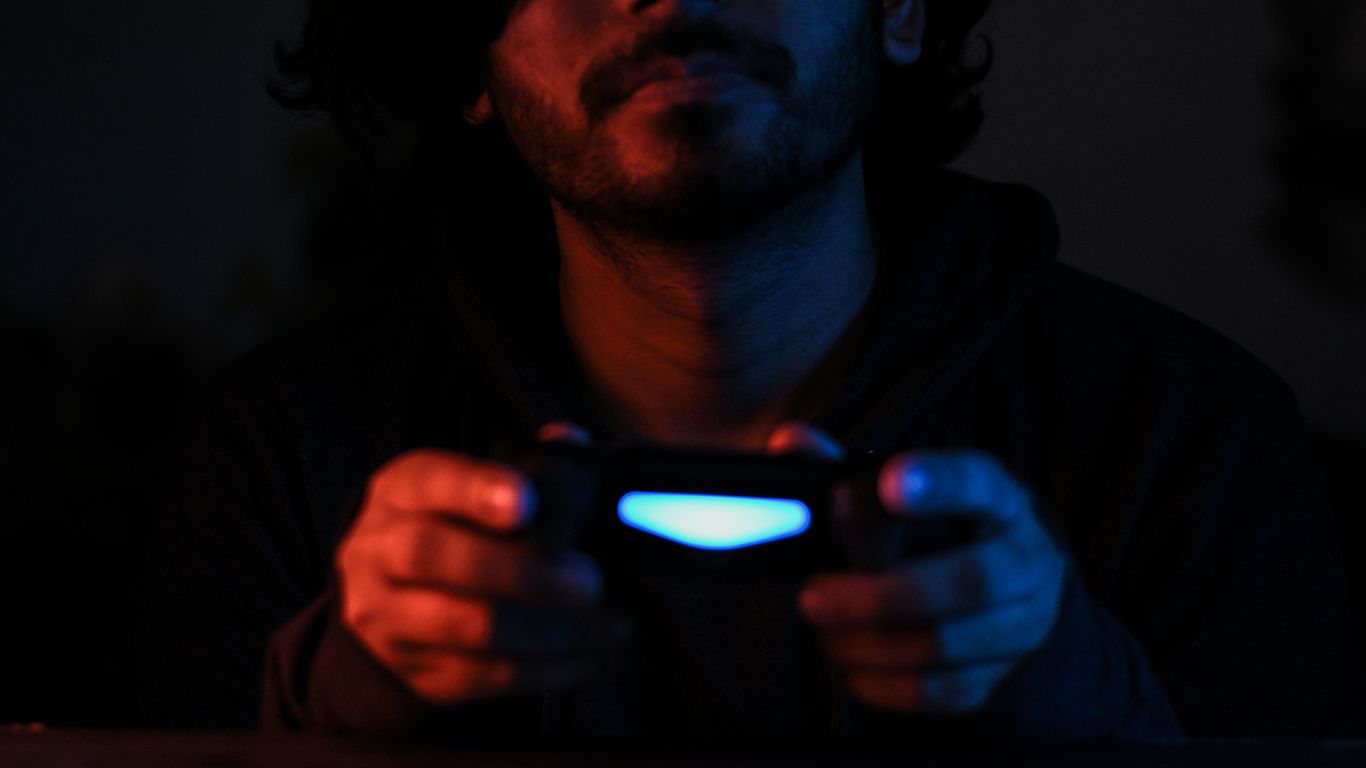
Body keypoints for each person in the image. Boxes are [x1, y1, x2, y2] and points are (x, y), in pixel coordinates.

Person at [137, 0, 1357, 743]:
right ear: (467, 54)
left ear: (900, 9)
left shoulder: (1191, 440)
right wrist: (354, 694)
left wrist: (1058, 688)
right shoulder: (282, 460)